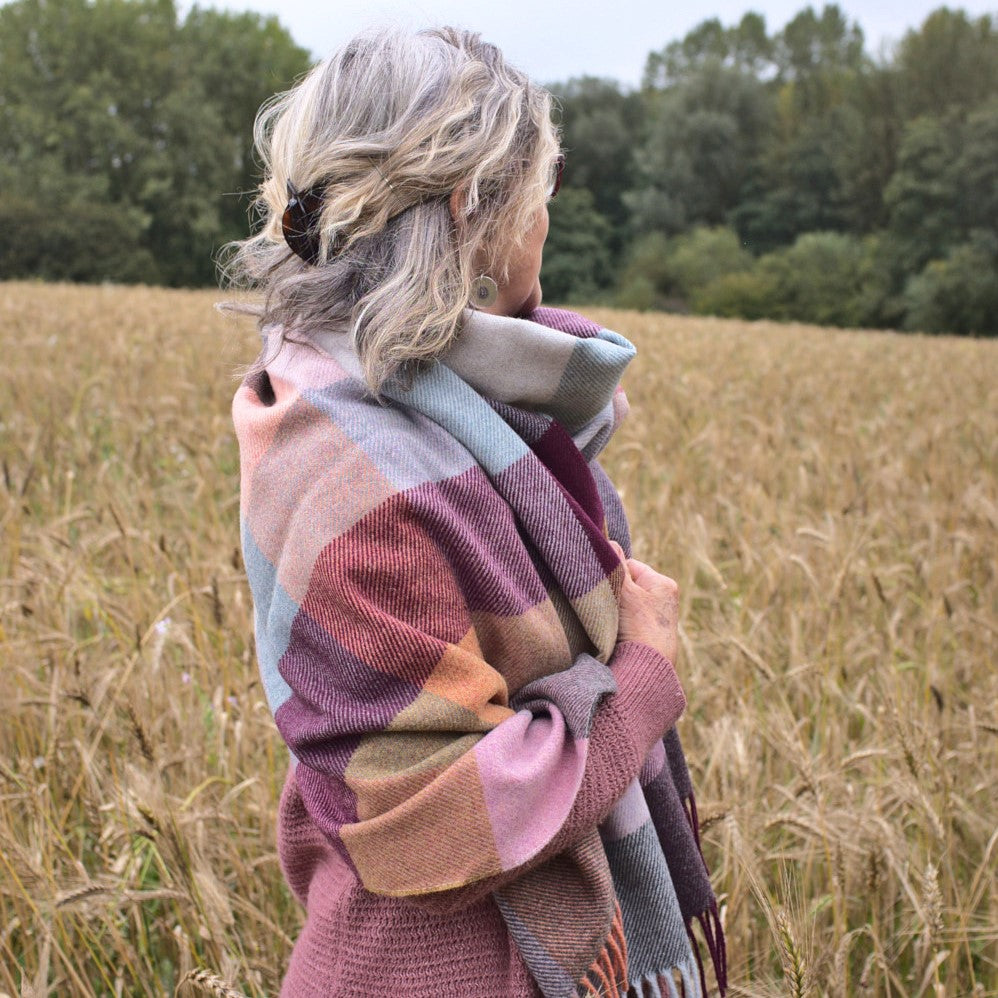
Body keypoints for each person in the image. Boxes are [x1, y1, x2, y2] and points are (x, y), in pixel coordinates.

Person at [227, 26, 725, 998]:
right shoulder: (355, 470)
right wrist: (641, 673)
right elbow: (432, 815)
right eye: (539, 197)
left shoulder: (439, 410)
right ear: (471, 208)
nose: (546, 225)